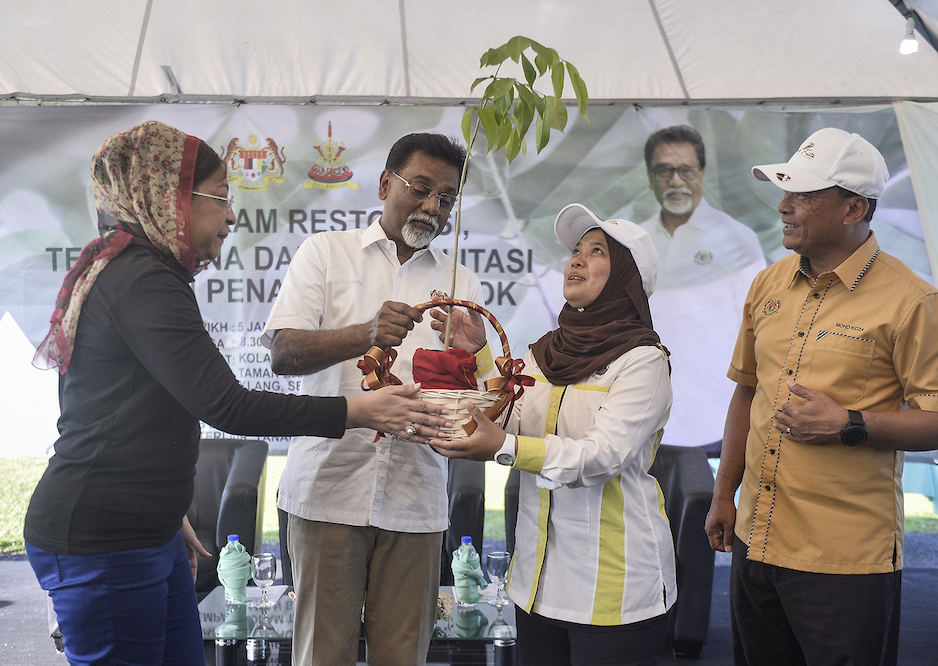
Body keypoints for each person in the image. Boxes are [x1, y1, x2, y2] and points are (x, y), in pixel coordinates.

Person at [23, 121, 449, 666]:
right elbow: (226, 403)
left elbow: (109, 405)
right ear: (168, 197)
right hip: (104, 534)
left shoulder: (146, 274)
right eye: (220, 198)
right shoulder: (139, 280)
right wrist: (358, 410)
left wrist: (165, 507)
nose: (230, 216)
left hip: (146, 525)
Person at [704, 127, 938, 665]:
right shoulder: (767, 285)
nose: (784, 206)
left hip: (846, 562)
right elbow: (746, 395)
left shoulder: (916, 301)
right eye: (786, 192)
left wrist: (850, 422)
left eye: (803, 195)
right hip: (757, 544)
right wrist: (723, 493)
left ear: (853, 208)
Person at [261, 133, 489, 666]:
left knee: (403, 658)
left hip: (415, 500)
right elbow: (284, 353)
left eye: (447, 199)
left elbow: (476, 409)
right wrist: (364, 332)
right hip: (328, 491)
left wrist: (473, 357)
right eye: (421, 188)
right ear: (386, 183)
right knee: (323, 656)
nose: (433, 207)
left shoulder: (462, 283)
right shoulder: (325, 253)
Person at [431, 203, 676, 666]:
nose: (576, 260)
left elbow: (601, 456)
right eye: (576, 250)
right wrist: (480, 355)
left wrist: (503, 448)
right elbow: (509, 422)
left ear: (626, 278)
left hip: (614, 590)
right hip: (536, 582)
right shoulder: (544, 353)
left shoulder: (644, 361)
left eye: (596, 251)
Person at [641, 125, 766, 451]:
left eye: (687, 170)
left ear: (703, 174)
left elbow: (762, 329)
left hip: (715, 420)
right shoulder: (633, 241)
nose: (677, 181)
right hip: (640, 415)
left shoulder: (737, 240)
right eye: (664, 171)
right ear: (649, 177)